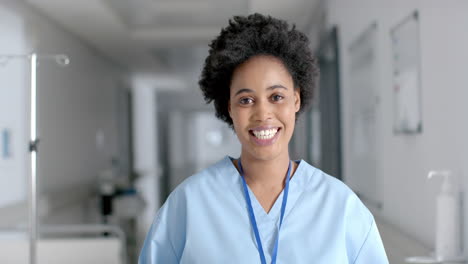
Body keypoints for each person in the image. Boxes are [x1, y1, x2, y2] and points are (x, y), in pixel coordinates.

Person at [139, 13, 388, 264]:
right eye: (246, 100)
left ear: (296, 99)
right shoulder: (189, 204)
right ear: (229, 108)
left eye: (276, 96)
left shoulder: (341, 206)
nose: (263, 114)